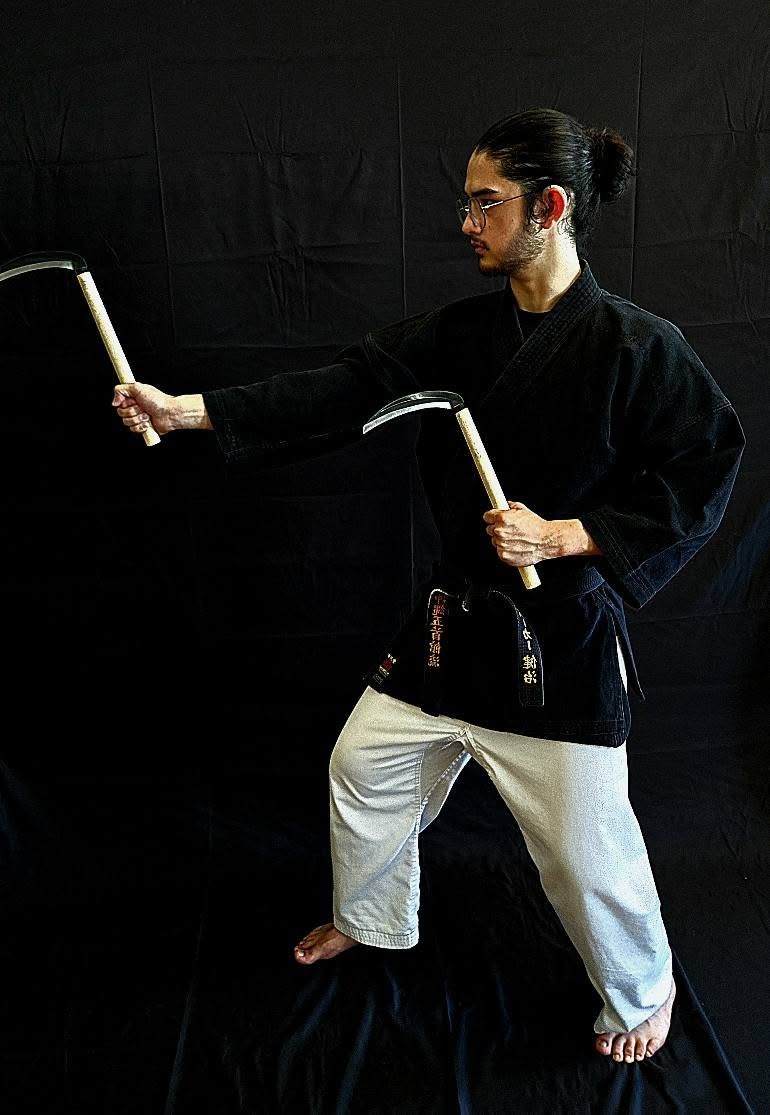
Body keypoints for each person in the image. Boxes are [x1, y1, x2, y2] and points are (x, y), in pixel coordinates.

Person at [113, 109, 745, 1064]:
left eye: (487, 204)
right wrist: (185, 410)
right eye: (467, 203)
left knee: (585, 853)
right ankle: (370, 916)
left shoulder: (636, 347)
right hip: (455, 628)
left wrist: (568, 533)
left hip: (559, 641)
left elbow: (707, 463)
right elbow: (340, 388)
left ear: (551, 207)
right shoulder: (459, 334)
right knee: (363, 766)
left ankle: (641, 988)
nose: (467, 224)